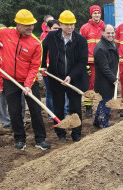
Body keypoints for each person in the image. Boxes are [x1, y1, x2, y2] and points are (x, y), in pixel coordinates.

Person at [0, 9, 50, 150]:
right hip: (9, 80)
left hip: (29, 81)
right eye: (27, 25)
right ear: (18, 24)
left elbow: (34, 67)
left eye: (32, 24)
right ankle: (19, 139)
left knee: (36, 110)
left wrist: (28, 84)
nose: (31, 27)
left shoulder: (36, 44)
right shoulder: (6, 33)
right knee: (14, 111)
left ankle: (40, 139)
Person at [41, 10, 89, 141]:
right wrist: (43, 64)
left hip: (74, 79)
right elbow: (42, 48)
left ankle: (76, 133)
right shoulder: (52, 36)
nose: (70, 27)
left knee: (75, 107)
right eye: (67, 24)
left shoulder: (81, 40)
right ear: (60, 24)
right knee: (58, 106)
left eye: (72, 24)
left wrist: (71, 76)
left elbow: (82, 61)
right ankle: (60, 132)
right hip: (56, 78)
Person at [80, 5, 105, 117]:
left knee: (102, 84)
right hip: (89, 62)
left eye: (98, 13)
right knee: (89, 85)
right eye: (94, 13)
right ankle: (88, 107)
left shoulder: (105, 26)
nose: (97, 15)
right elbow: (80, 45)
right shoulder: (85, 28)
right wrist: (84, 62)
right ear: (91, 14)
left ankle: (103, 106)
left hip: (102, 62)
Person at [93, 24, 119, 128]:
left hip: (109, 78)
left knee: (103, 102)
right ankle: (103, 123)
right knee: (106, 102)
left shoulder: (113, 44)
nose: (110, 35)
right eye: (108, 33)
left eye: (112, 33)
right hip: (103, 81)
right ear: (103, 33)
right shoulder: (100, 48)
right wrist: (113, 79)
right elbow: (104, 67)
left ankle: (96, 121)